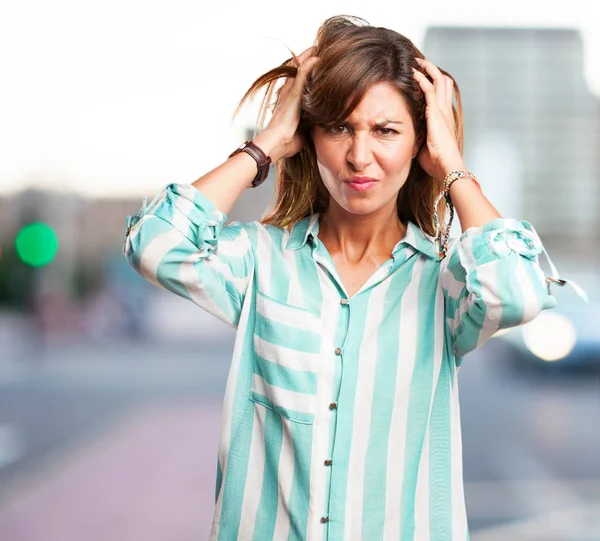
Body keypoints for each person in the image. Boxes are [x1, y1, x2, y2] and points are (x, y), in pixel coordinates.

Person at [122, 15, 586, 541]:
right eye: (339, 127)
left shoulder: (446, 282)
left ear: (419, 145)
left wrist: (453, 163)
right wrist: (266, 143)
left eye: (386, 130)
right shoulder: (260, 261)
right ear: (310, 135)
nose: (359, 156)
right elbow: (155, 244)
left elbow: (519, 294)